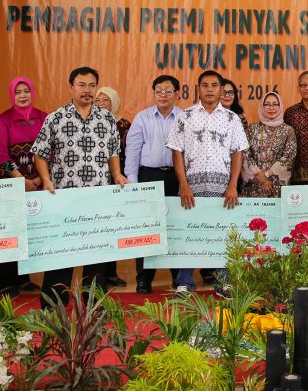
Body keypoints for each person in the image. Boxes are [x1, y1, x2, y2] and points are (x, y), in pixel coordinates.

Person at [31, 66, 128, 306]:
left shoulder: (106, 118)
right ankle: (53, 308)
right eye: (82, 85)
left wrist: (117, 174)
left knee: (95, 256)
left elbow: (113, 151)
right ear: (71, 87)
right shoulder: (56, 117)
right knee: (60, 256)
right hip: (65, 197)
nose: (87, 90)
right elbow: (40, 153)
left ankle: (92, 308)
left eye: (92, 85)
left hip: (98, 197)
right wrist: (46, 179)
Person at [166, 70, 248, 296]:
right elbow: (177, 151)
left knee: (223, 234)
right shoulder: (186, 116)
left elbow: (237, 153)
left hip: (222, 188)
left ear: (222, 90)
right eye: (205, 85)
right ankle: (184, 282)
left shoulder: (232, 119)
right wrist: (183, 184)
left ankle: (224, 283)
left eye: (214, 85)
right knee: (190, 233)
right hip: (192, 187)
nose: (210, 89)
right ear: (198, 89)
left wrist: (233, 185)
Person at [124, 74, 192, 294]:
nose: (163, 95)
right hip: (149, 177)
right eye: (159, 91)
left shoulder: (186, 118)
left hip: (178, 177)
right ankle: (144, 279)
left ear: (178, 94)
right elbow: (132, 153)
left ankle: (178, 277)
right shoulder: (142, 118)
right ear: (153, 93)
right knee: (147, 229)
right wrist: (134, 186)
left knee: (177, 227)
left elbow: (191, 153)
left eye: (168, 91)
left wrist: (187, 182)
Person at [0, 76, 47, 295]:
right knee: (9, 232)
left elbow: (50, 150)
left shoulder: (43, 117)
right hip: (10, 183)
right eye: (17, 92)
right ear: (12, 95)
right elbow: (0, 154)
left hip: (38, 182)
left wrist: (40, 178)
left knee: (29, 231)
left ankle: (24, 278)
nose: (22, 96)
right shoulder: (3, 120)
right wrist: (20, 180)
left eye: (26, 91)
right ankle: (6, 282)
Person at [95, 86, 131, 289]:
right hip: (96, 183)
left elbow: (128, 152)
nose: (100, 103)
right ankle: (97, 276)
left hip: (117, 181)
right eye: (97, 100)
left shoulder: (124, 125)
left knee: (114, 229)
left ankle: (111, 273)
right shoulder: (90, 122)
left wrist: (121, 175)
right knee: (99, 229)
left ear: (114, 103)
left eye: (105, 100)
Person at [241, 92, 296, 198]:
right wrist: (259, 177)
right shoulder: (252, 129)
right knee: (252, 215)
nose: (271, 108)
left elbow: (289, 157)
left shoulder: (288, 130)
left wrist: (266, 175)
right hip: (253, 184)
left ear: (280, 107)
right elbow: (245, 155)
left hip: (277, 186)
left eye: (275, 104)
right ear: (262, 107)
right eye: (267, 104)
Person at [283, 71, 308, 185]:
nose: (307, 88)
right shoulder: (290, 112)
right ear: (298, 88)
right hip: (296, 175)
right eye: (303, 85)